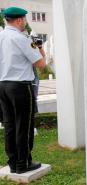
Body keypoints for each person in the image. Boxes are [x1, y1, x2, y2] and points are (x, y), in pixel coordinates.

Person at [0, 7, 46, 174]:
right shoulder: (22, 38)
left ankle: (13, 163)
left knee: (10, 125)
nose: (26, 23)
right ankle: (23, 163)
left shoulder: (1, 36)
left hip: (2, 85)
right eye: (25, 20)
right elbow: (41, 64)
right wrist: (39, 46)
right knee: (24, 126)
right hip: (19, 86)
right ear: (19, 20)